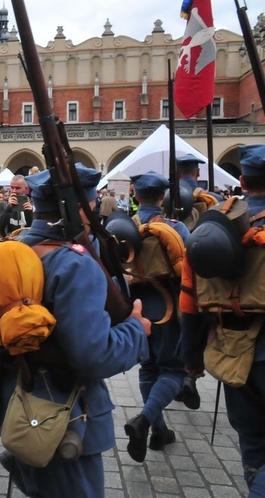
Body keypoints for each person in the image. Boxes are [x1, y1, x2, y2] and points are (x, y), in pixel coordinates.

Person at [0, 165, 150, 496]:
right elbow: (94, 356)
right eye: (91, 207)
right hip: (64, 415)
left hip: (17, 401)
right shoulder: (74, 263)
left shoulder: (15, 247)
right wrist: (137, 328)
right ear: (78, 208)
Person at [180, 144, 265, 495]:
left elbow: (190, 304)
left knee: (253, 444)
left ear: (242, 181)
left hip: (231, 351)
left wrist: (192, 359)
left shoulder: (211, 227)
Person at [121, 172, 190, 463]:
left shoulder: (124, 229)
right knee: (173, 370)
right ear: (162, 198)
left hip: (137, 306)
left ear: (135, 196)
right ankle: (146, 420)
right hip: (168, 307)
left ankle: (159, 431)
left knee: (148, 369)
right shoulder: (176, 228)